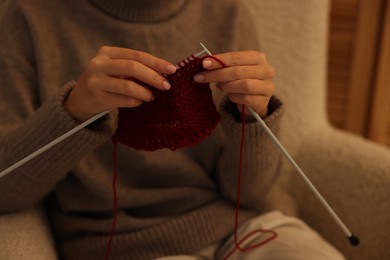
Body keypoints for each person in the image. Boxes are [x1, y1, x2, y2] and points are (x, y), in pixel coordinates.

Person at [0, 0, 344, 259]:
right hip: (125, 246)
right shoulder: (27, 16)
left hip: (249, 228)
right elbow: (6, 187)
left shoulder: (228, 11)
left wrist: (253, 116)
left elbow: (251, 193)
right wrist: (73, 111)